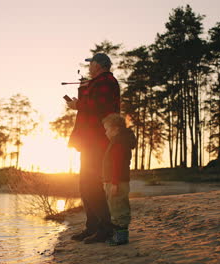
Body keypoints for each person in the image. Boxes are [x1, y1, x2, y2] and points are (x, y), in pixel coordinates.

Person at [67, 53, 120, 244]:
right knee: (85, 185)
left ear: (99, 65)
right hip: (89, 139)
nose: (89, 67)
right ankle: (93, 227)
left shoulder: (107, 81)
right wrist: (81, 95)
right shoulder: (96, 83)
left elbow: (99, 105)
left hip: (97, 140)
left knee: (91, 184)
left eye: (91, 64)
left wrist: (77, 104)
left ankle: (105, 228)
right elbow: (90, 104)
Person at [101, 113, 136, 245]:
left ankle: (121, 238)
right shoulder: (118, 142)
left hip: (117, 182)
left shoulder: (119, 143)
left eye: (107, 129)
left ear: (116, 129)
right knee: (116, 208)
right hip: (115, 181)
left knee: (119, 209)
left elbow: (118, 164)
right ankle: (119, 236)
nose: (105, 133)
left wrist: (114, 183)